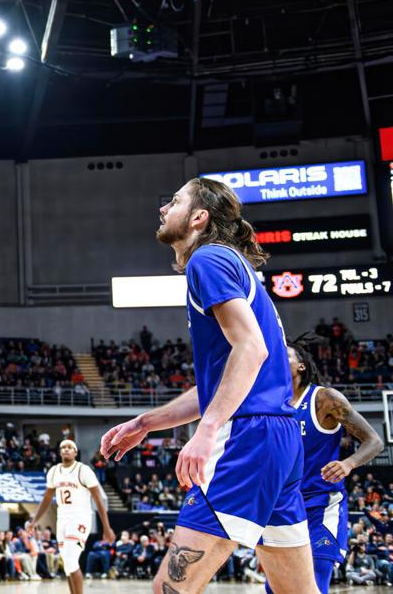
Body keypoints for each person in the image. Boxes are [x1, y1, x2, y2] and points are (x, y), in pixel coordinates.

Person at [101, 177, 314, 592]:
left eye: (174, 201)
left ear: (199, 217)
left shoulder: (208, 260)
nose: (163, 209)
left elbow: (251, 349)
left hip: (247, 435)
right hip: (279, 436)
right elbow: (225, 380)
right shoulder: (231, 264)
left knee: (170, 588)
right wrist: (146, 423)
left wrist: (208, 429)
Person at [263, 337, 384, 593]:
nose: (277, 357)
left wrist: (349, 463)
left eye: (285, 354)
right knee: (276, 588)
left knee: (315, 581)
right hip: (282, 506)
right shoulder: (270, 404)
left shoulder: (325, 399)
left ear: (302, 366)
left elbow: (374, 441)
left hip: (321, 503)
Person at [27, 439, 115, 594]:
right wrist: (34, 521)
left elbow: (98, 499)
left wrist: (106, 528)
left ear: (75, 452)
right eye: (63, 447)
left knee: (71, 560)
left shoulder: (83, 470)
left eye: (69, 447)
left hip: (80, 518)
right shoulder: (54, 471)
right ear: (60, 452)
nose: (66, 449)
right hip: (62, 520)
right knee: (68, 566)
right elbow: (47, 498)